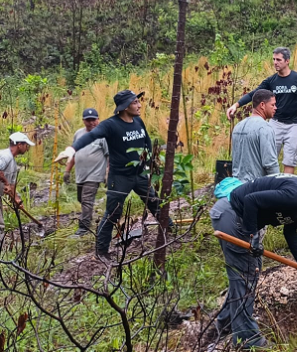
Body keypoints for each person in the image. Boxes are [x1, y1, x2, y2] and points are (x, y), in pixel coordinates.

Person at [209, 172, 297, 349]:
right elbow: (251, 200)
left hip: (234, 215)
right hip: (231, 215)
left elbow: (289, 231)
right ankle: (246, 339)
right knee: (246, 274)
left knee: (248, 274)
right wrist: (252, 235)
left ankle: (226, 323)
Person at [56, 90, 170, 262]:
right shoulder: (110, 125)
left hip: (140, 175)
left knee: (154, 203)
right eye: (135, 103)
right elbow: (92, 136)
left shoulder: (138, 121)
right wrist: (71, 150)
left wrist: (151, 164)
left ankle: (172, 231)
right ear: (124, 107)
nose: (139, 105)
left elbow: (146, 141)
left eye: (138, 102)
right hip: (120, 178)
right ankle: (101, 252)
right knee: (113, 214)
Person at [226, 47, 297, 174]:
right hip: (275, 123)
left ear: (287, 61)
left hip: (294, 125)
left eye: (278, 59)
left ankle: (286, 189)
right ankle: (267, 187)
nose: (275, 62)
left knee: (290, 159)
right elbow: (254, 94)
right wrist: (236, 105)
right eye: (274, 59)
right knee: (268, 158)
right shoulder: (271, 81)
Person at [63, 108, 109, 237]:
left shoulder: (103, 135)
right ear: (83, 121)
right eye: (88, 120)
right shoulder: (79, 133)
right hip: (80, 174)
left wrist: (107, 172)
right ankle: (88, 217)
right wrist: (67, 170)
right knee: (81, 199)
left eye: (93, 120)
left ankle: (83, 229)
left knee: (87, 200)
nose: (91, 123)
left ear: (98, 119)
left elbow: (109, 155)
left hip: (95, 174)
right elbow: (74, 152)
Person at [231, 89, 279, 182]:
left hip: (237, 186)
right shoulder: (265, 128)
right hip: (256, 188)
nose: (275, 108)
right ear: (262, 105)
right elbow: (270, 163)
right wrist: (278, 184)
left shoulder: (238, 126)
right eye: (272, 105)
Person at [0, 133, 34, 230]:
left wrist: (16, 199)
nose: (27, 148)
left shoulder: (13, 164)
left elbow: (12, 185)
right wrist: (6, 182)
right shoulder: (5, 156)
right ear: (19, 145)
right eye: (26, 145)